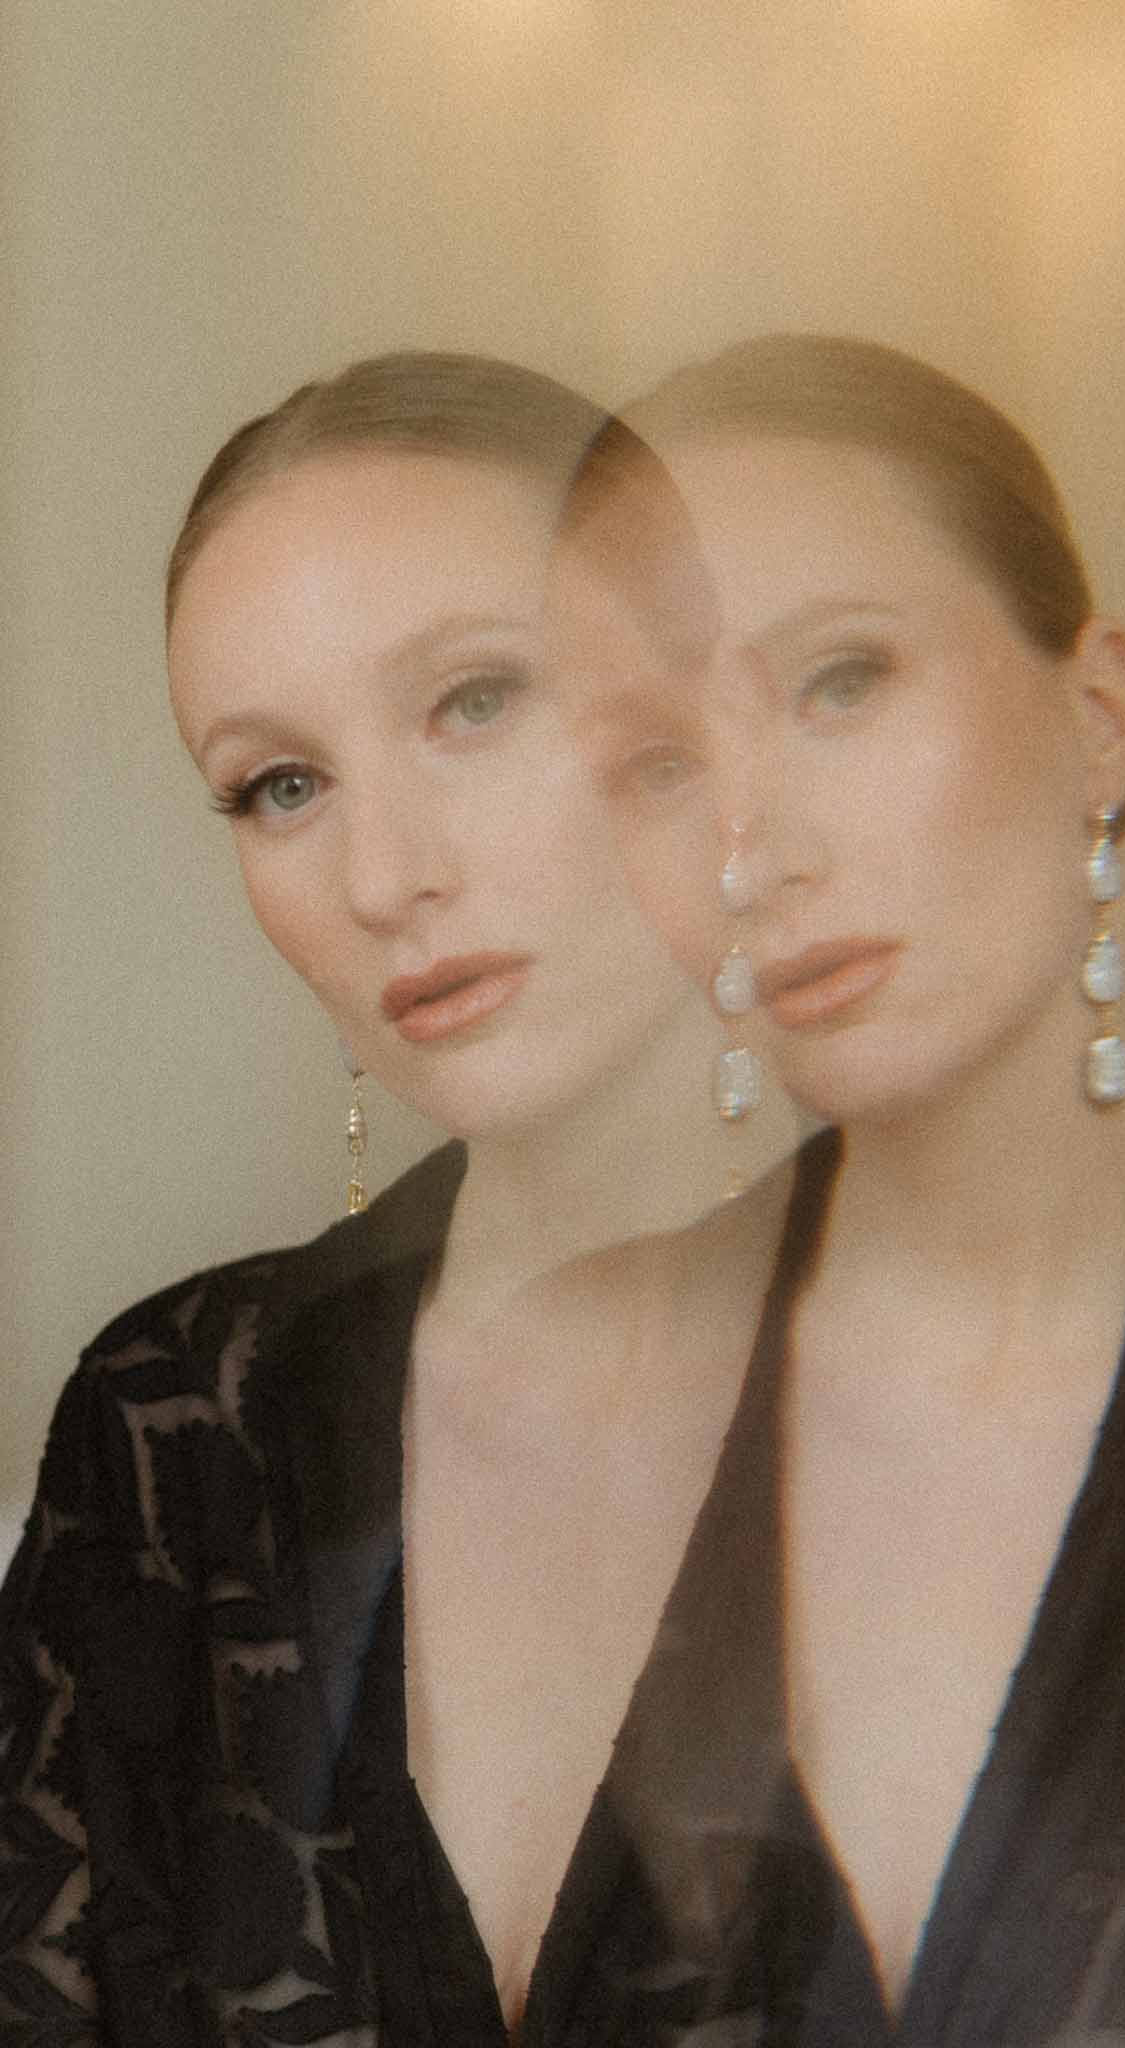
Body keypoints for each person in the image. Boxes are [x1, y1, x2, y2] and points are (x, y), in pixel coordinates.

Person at [545, 333, 1125, 2045]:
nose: (751, 842)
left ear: (1098, 715)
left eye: (839, 679)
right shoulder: (525, 1419)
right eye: (656, 767)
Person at [0, 352, 803, 2047]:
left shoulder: (1122, 1378)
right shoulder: (172, 1430)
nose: (382, 880)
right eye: (279, 786)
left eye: (472, 701)